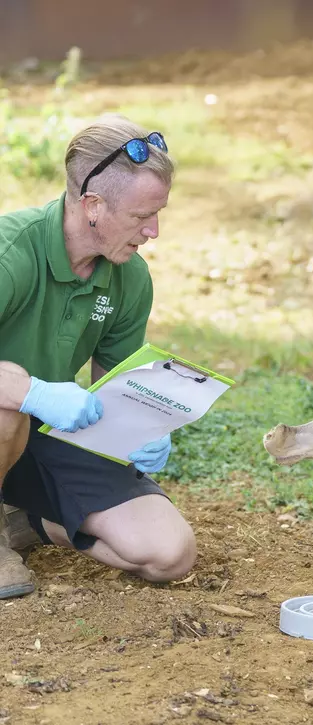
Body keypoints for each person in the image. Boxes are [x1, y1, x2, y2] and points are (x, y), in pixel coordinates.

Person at [0, 115, 197, 600]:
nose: (153, 230)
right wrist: (34, 392)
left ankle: (28, 523)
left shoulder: (129, 277)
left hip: (38, 437)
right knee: (10, 395)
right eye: (140, 216)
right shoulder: (10, 255)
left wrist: (137, 431)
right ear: (93, 206)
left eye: (159, 212)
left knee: (168, 553)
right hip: (8, 418)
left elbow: (118, 388)